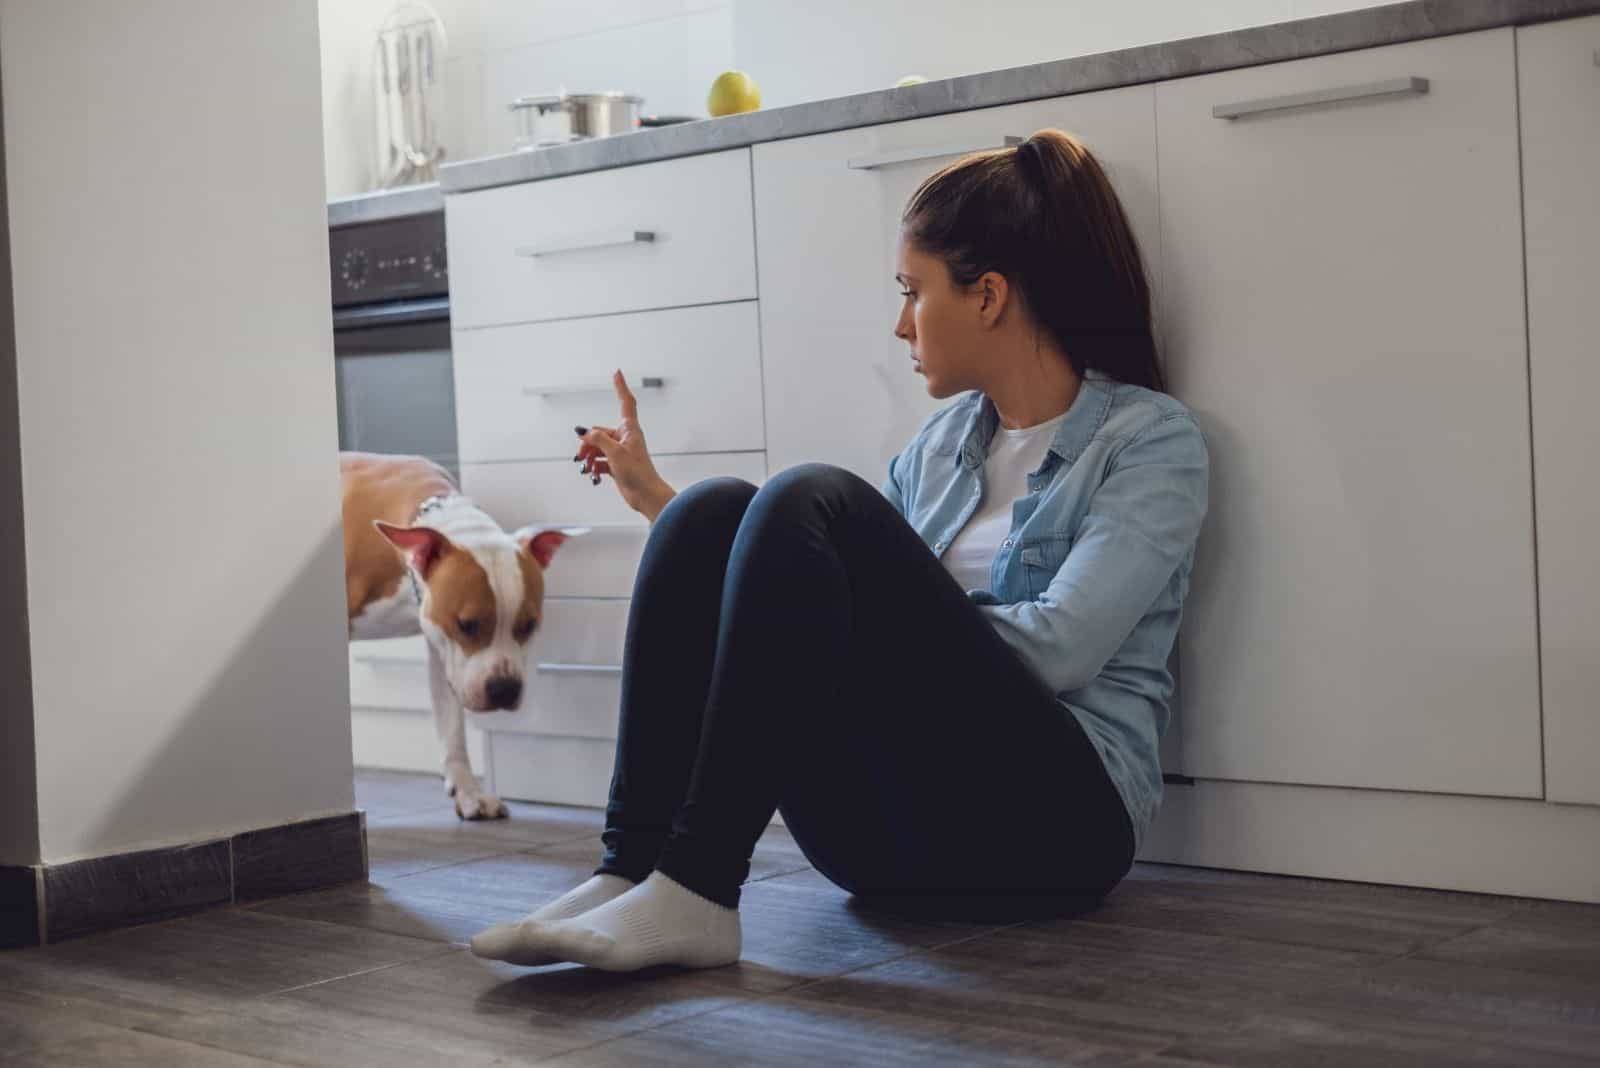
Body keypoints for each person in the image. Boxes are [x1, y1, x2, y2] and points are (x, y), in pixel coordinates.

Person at [470, 128, 1209, 974]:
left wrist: (885, 627)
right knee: (710, 512)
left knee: (808, 496)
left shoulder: (1149, 442)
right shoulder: (938, 450)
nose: (900, 324)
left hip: (1052, 834)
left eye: (913, 290)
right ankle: (632, 869)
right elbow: (817, 593)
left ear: (988, 297)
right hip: (885, 845)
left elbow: (1063, 646)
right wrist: (659, 505)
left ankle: (698, 885)